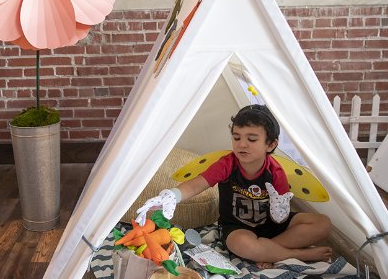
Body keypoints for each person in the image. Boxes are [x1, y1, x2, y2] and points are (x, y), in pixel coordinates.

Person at [136, 104, 332, 268]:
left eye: (252, 139)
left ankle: (268, 251)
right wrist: (172, 195)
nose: (242, 144)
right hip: (238, 228)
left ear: (270, 144)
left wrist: (280, 207)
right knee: (242, 244)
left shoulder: (276, 172)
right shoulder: (227, 164)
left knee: (322, 223)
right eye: (236, 137)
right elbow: (197, 184)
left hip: (272, 227)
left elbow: (280, 217)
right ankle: (298, 255)